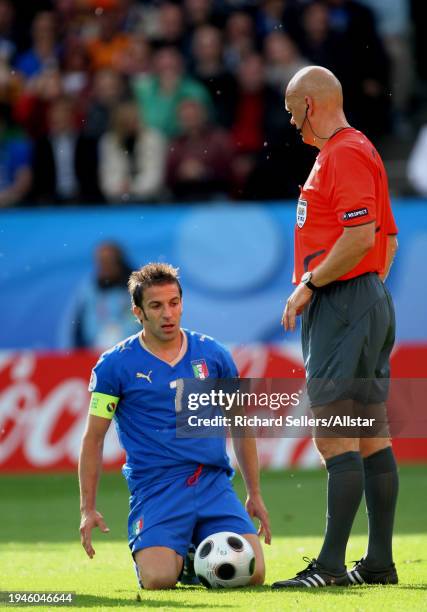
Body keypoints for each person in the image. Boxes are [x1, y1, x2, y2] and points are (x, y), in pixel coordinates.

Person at [273, 66, 399, 589]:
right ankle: (378, 563)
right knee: (371, 433)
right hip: (364, 299)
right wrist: (366, 289)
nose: (291, 123)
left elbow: (361, 234)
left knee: (334, 435)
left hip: (342, 301)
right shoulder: (359, 149)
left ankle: (328, 567)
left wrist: (314, 285)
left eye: (290, 111)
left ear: (309, 105)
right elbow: (386, 239)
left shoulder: (342, 153)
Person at [79, 262, 270, 591]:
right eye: (156, 306)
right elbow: (93, 439)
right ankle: (180, 560)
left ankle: (194, 555)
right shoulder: (114, 365)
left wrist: (254, 493)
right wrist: (87, 508)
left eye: (174, 303)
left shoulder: (213, 355)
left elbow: (239, 425)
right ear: (138, 312)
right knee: (158, 580)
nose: (168, 313)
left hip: (212, 484)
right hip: (156, 489)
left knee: (252, 573)